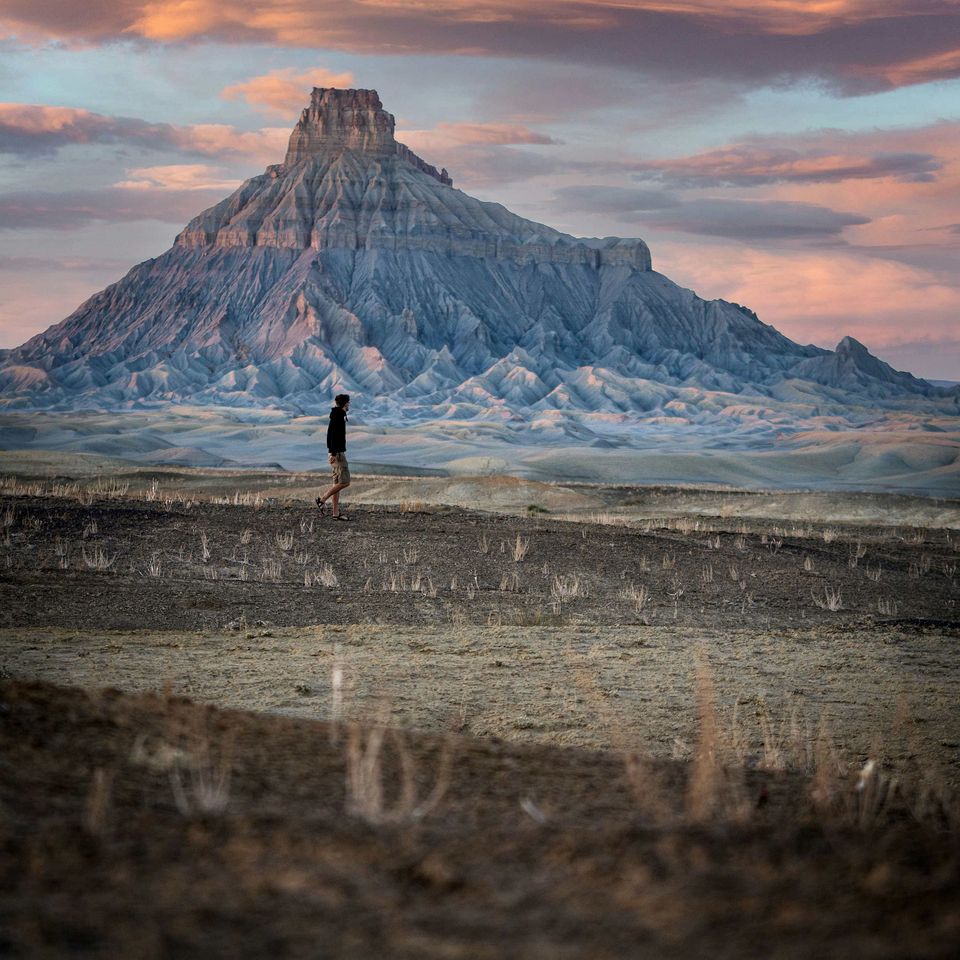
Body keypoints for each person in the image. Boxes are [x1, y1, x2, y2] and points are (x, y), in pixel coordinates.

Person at [316, 394, 352, 521]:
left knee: (336, 483)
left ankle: (335, 513)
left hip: (335, 453)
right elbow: (332, 436)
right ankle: (322, 500)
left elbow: (330, 434)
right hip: (337, 454)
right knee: (345, 481)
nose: (349, 405)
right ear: (345, 404)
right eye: (348, 403)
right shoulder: (338, 417)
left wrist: (331, 452)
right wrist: (332, 453)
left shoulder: (337, 415)